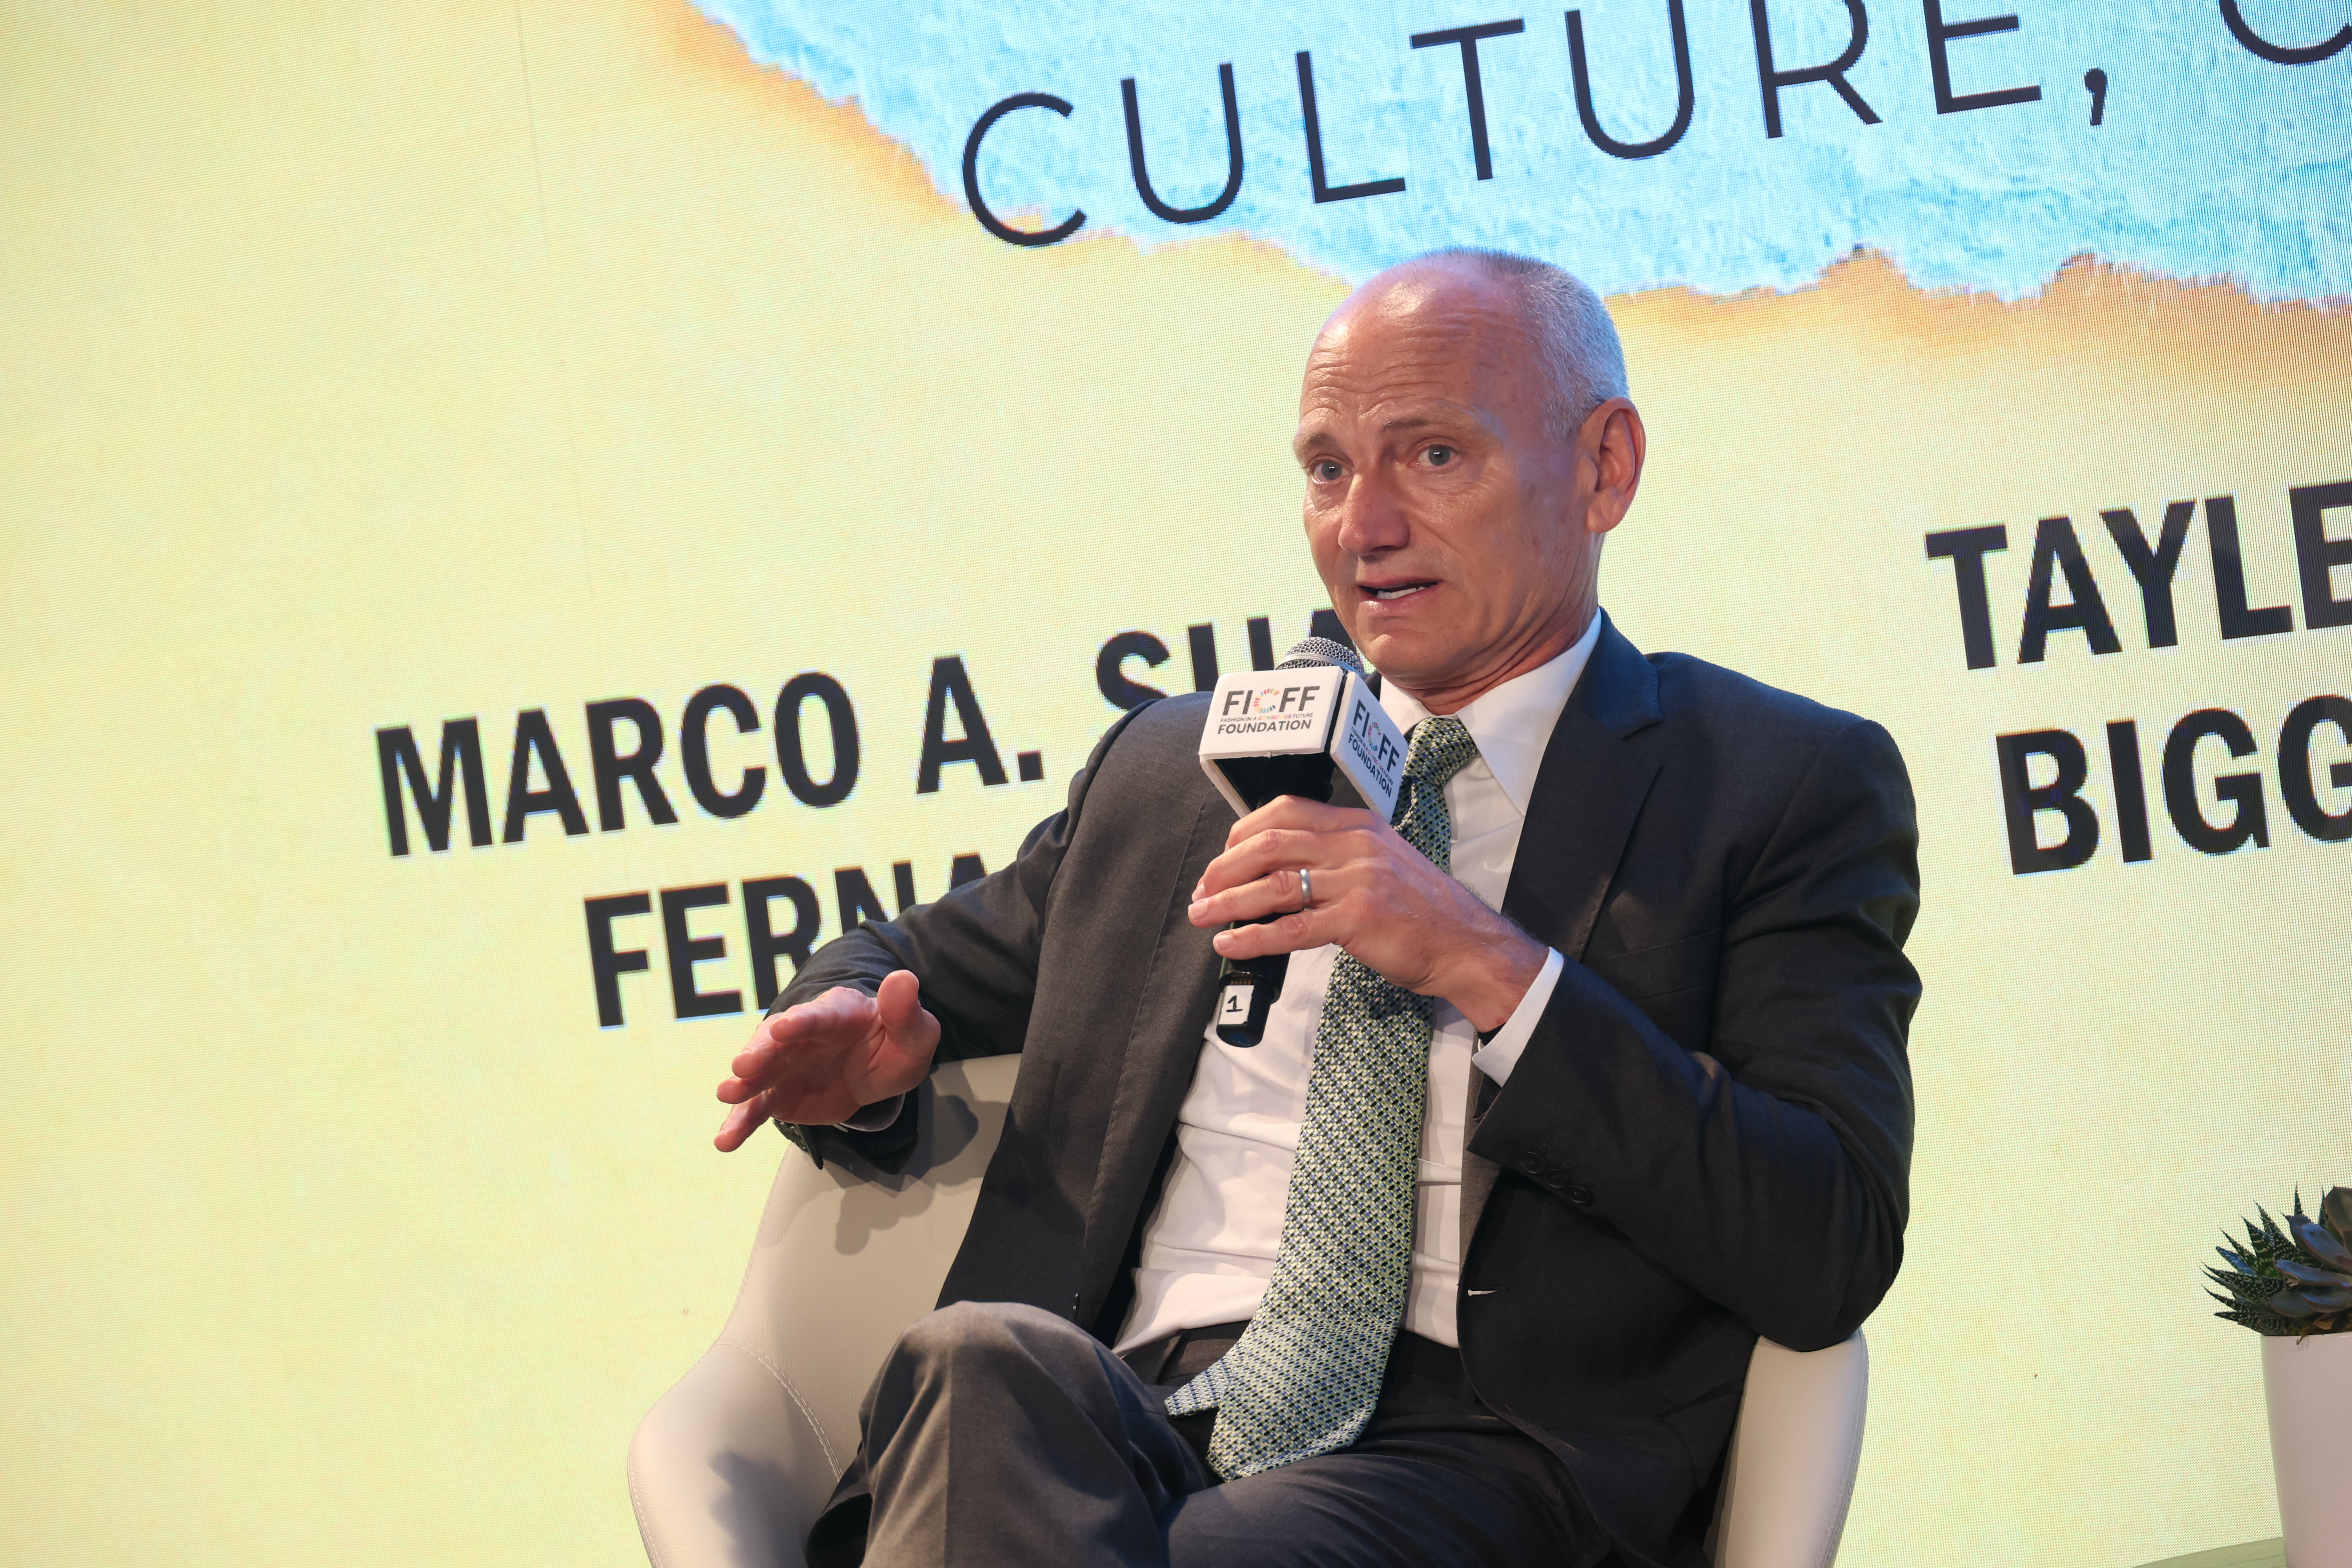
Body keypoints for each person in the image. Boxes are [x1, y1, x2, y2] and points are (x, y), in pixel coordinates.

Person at [712, 248, 1921, 1568]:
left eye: (1435, 457)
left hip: (1475, 1457)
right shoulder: (1179, 774)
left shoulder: (1774, 785)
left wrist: (1485, 963)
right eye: (1329, 470)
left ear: (1605, 468)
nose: (1365, 526)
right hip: (1105, 1421)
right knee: (973, 1359)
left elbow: (1829, 1238)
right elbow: (893, 966)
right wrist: (857, 1043)